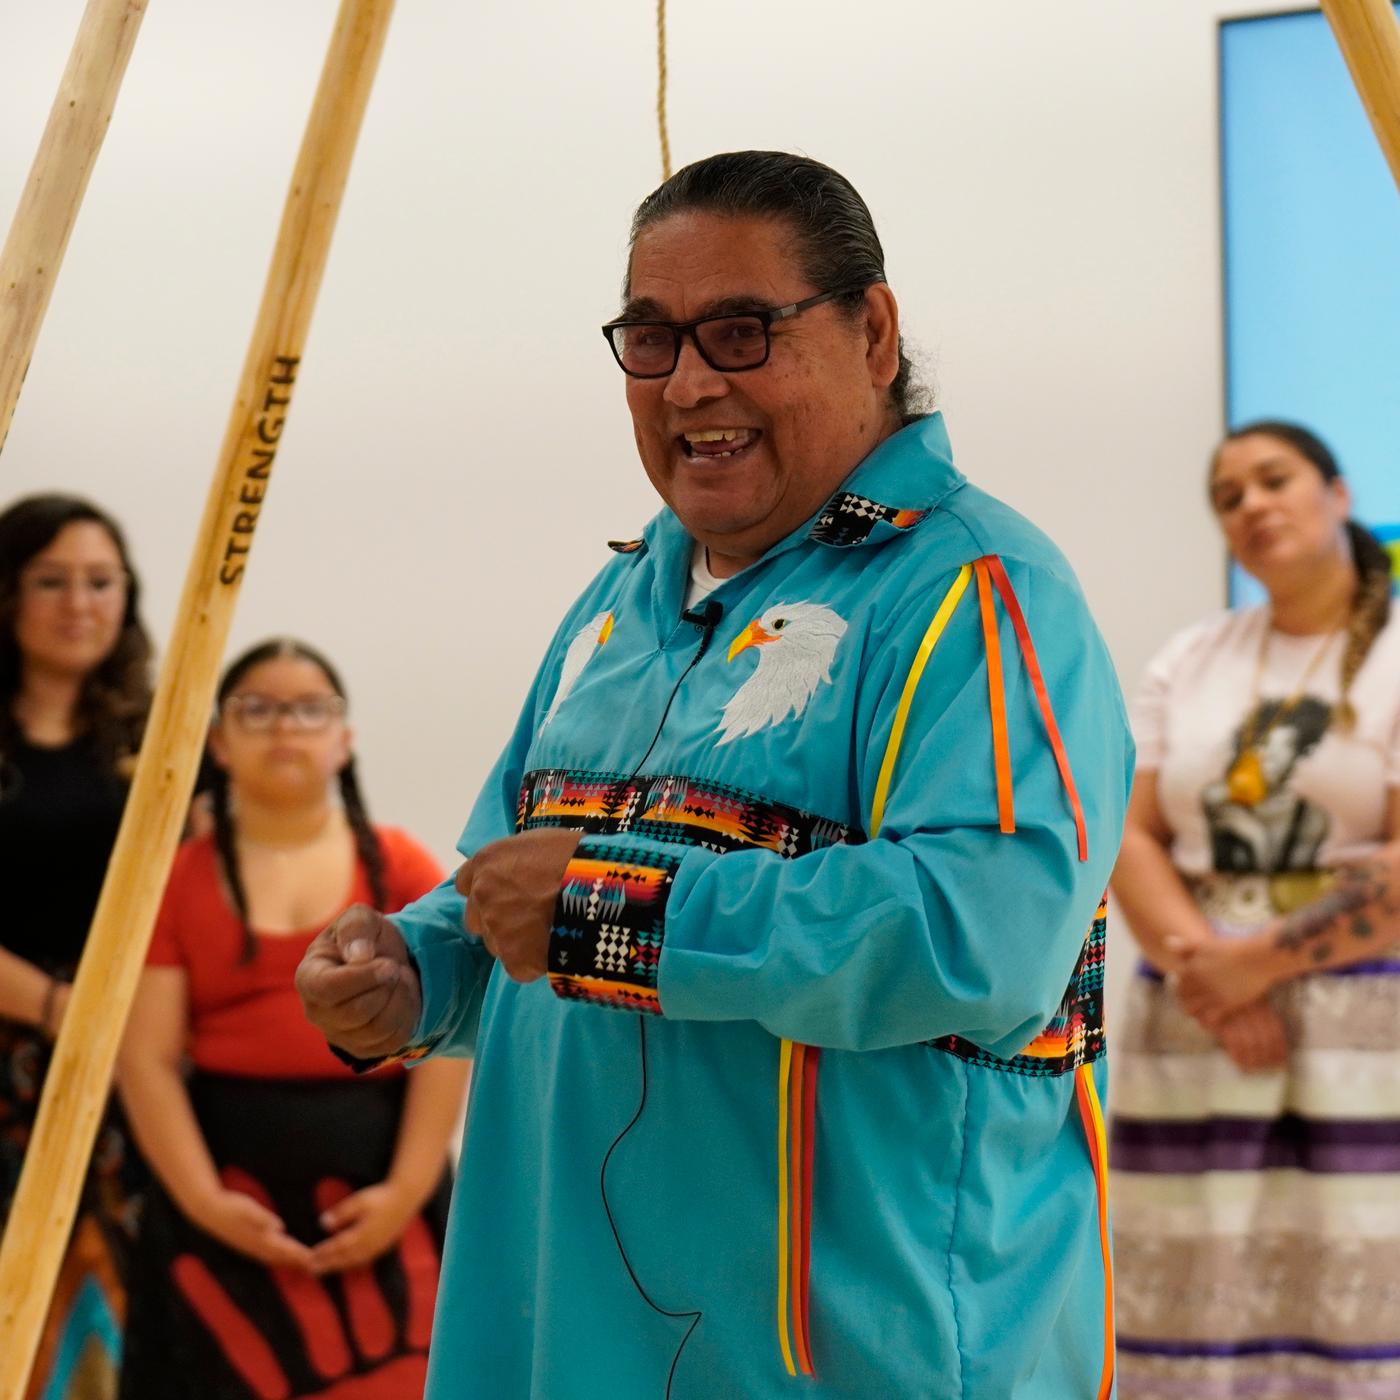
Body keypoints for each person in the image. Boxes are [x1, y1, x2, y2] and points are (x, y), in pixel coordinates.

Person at [297, 151, 1132, 1399]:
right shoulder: (623, 595)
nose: (689, 382)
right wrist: (417, 973)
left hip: (852, 1351)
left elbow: (980, 939)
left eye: (741, 332)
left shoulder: (977, 592)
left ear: (873, 330)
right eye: (650, 338)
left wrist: (605, 914)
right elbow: (508, 883)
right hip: (558, 1330)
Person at [1109, 421, 1400, 1398]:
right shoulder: (1191, 656)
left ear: (1337, 493)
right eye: (1227, 496)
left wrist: (1258, 963)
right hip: (1191, 1014)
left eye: (1272, 479)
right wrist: (1206, 966)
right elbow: (1131, 832)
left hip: (1361, 1031)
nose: (1250, 506)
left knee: (1350, 1304)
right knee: (1189, 1303)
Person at [117, 639, 468, 1399]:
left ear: (344, 741)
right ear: (219, 742)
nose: (285, 727)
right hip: (222, 1197)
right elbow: (142, 1060)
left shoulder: (401, 868)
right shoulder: (174, 881)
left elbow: (448, 1044)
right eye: (258, 708)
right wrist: (206, 1202)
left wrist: (405, 1192)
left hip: (384, 1195)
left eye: (310, 709)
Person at [0, 493, 152, 1400]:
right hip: (20, 1052)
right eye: (50, 581)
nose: (79, 603)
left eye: (101, 581)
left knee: (109, 1338)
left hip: (125, 1079)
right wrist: (61, 1011)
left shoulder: (160, 742)